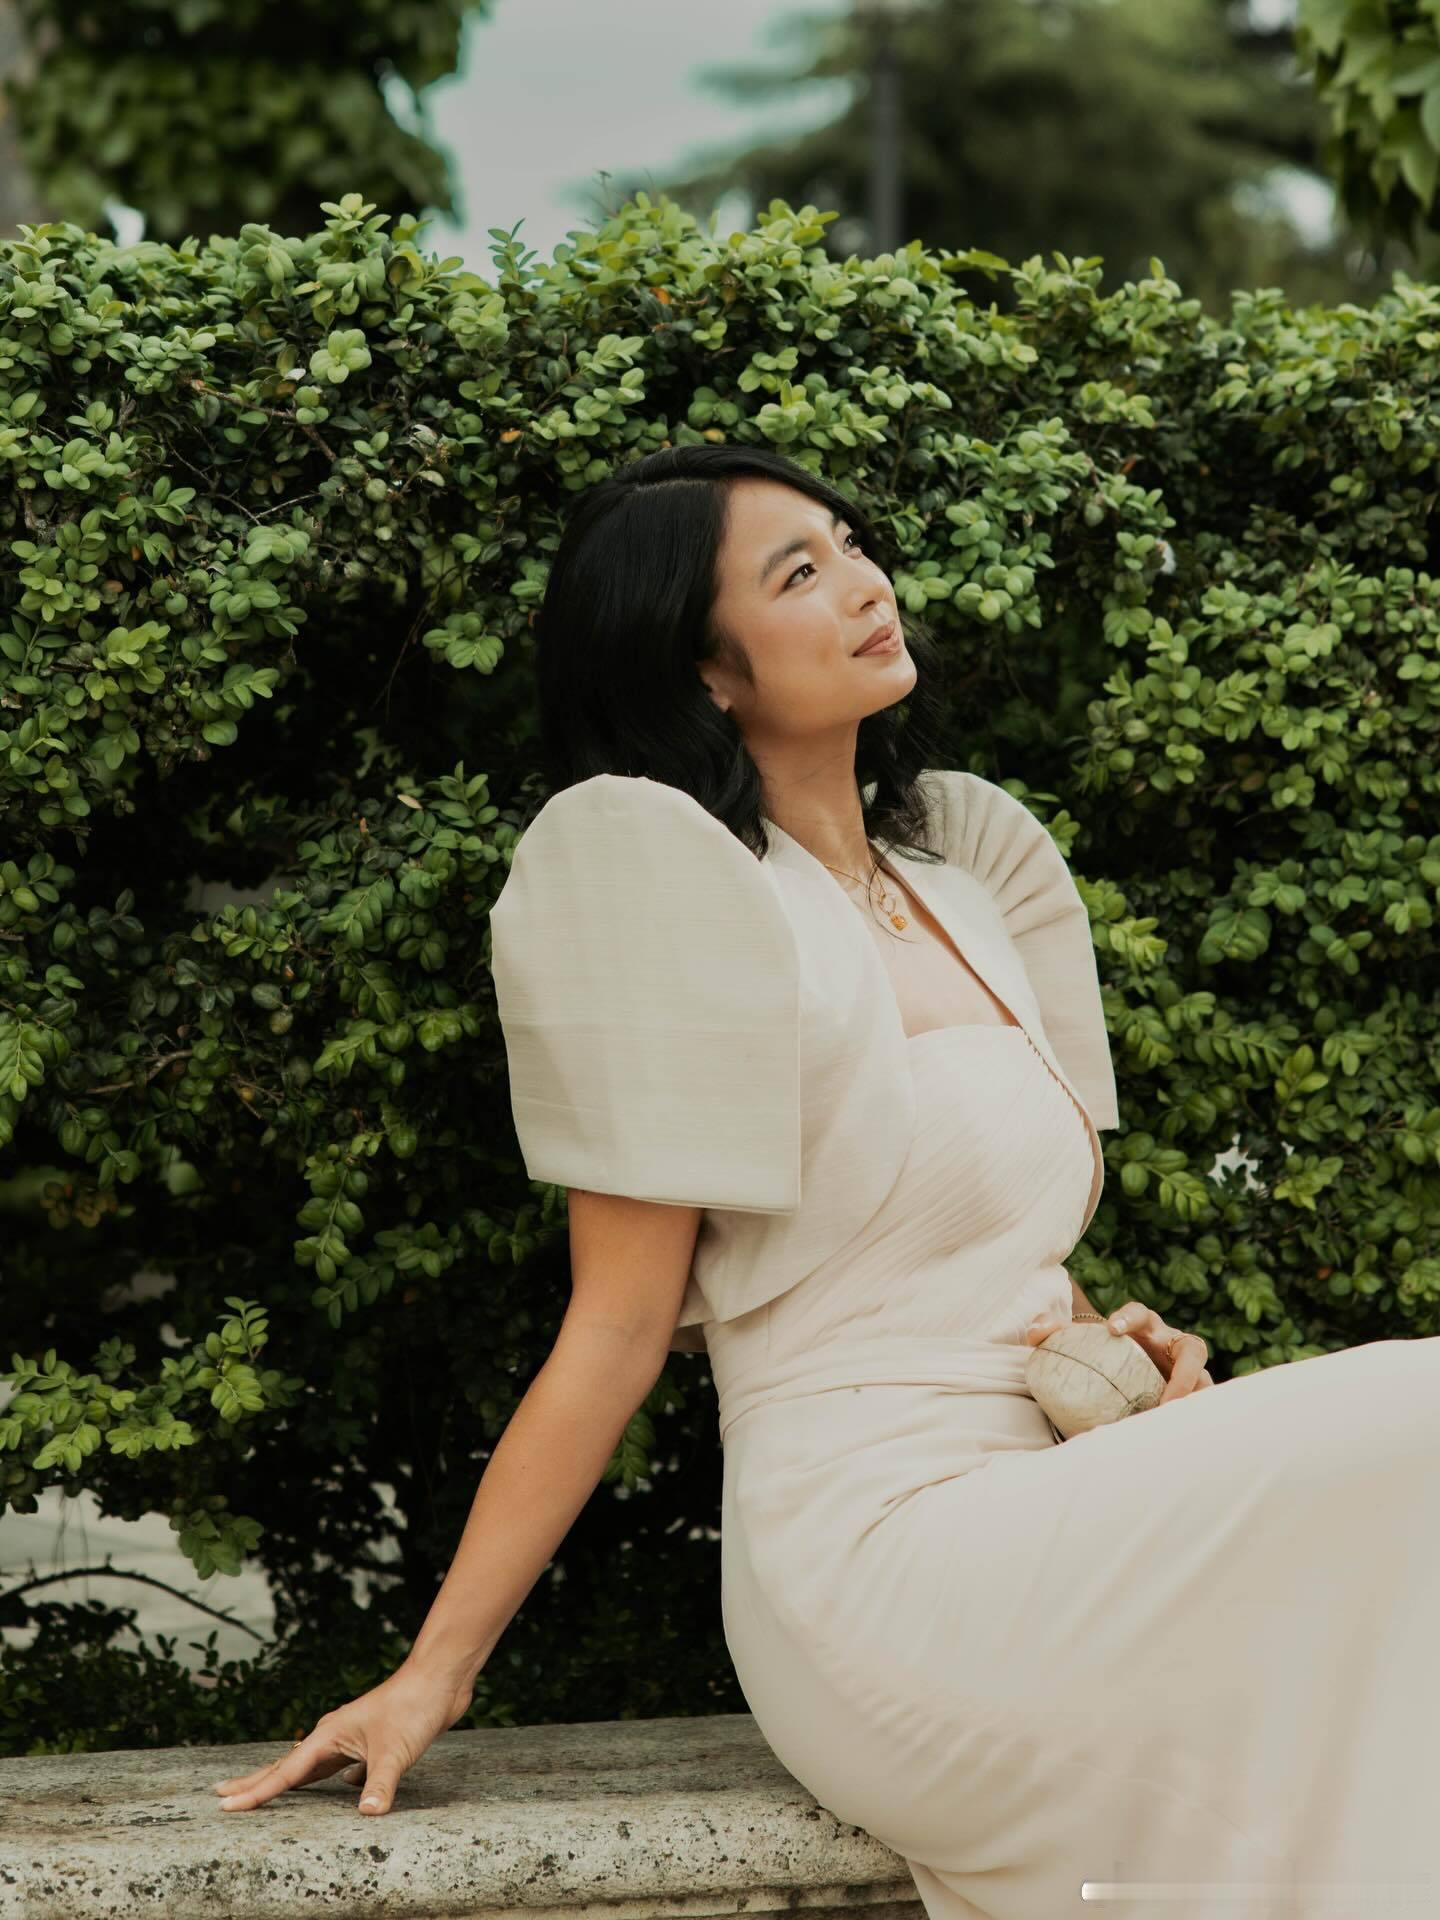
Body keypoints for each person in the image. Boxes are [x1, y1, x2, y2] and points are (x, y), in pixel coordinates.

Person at [210, 445, 1440, 1920]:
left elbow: (965, 1241)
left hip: (1050, 1503)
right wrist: (434, 1673)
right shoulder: (680, 898)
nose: (864, 582)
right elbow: (615, 1328)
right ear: (706, 671)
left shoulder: (966, 884)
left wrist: (1111, 1340)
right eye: (799, 572)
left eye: (851, 543)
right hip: (880, 1567)